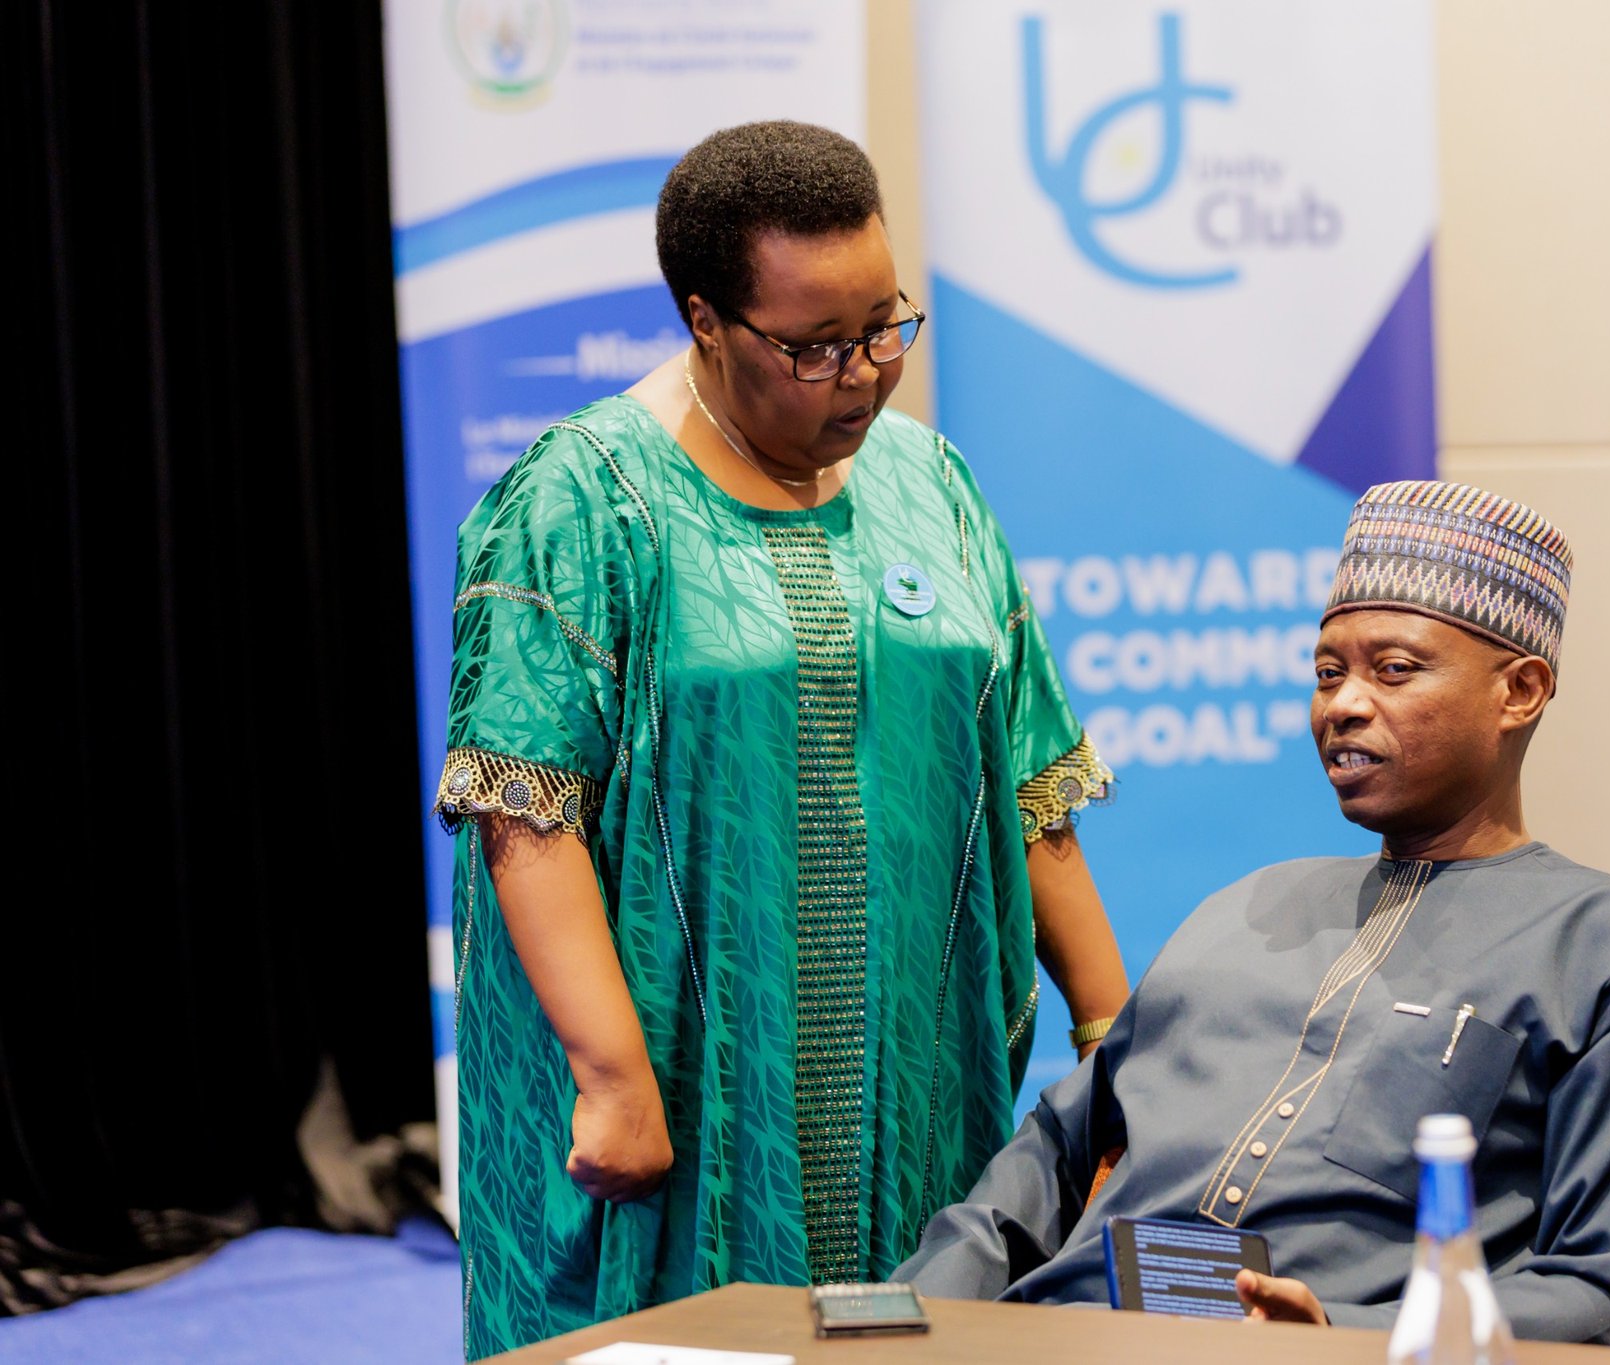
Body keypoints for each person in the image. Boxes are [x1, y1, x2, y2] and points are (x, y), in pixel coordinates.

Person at [435, 121, 1130, 1358]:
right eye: (813, 346)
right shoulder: (584, 499)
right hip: (683, 1079)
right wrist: (610, 1076)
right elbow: (523, 812)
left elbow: (1027, 785)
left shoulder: (933, 485)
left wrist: (1114, 1046)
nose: (861, 374)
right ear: (705, 321)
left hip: (911, 1067)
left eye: (884, 326)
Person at [892, 481, 1610, 1346]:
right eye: (1328, 673)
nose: (1343, 704)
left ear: (1520, 690)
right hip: (1069, 1337)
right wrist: (905, 1312)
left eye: (1393, 670)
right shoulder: (1246, 907)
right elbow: (1051, 1155)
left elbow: (1606, 1290)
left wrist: (1341, 1329)